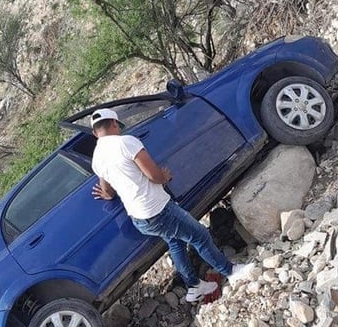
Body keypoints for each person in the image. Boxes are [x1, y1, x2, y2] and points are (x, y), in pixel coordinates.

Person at [91, 108, 254, 302]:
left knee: (175, 242)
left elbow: (108, 193)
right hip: (157, 209)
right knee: (200, 236)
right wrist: (164, 177)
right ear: (114, 124)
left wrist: (105, 193)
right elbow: (153, 175)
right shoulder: (126, 142)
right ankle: (232, 272)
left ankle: (194, 287)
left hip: (140, 218)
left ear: (95, 133)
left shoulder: (97, 159)